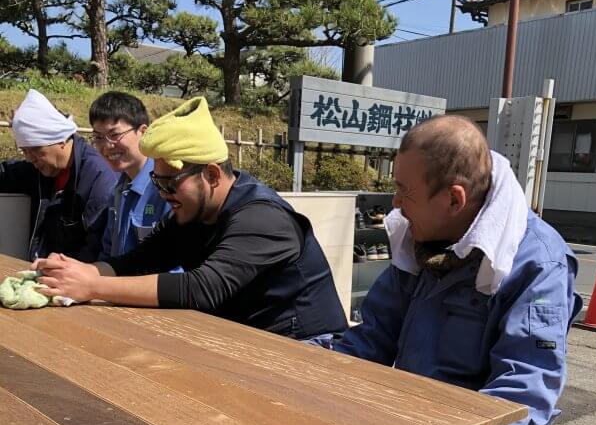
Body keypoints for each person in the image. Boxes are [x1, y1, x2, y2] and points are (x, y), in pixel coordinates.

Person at [313, 115, 582, 425]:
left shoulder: (536, 261)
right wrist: (303, 366)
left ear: (455, 198)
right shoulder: (418, 233)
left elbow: (525, 391)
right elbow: (374, 338)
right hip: (415, 413)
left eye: (404, 191)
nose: (393, 203)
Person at [33, 96, 348, 340]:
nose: (163, 193)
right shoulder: (193, 215)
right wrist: (77, 271)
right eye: (156, 182)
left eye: (170, 183)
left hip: (306, 345)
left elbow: (201, 288)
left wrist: (92, 287)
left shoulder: (261, 218)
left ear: (211, 174)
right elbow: (140, 260)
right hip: (247, 339)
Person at [0, 89, 116, 262]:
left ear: (61, 140)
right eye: (24, 151)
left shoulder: (97, 178)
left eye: (36, 150)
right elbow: (5, 173)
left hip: (74, 278)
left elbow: (96, 246)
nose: (30, 158)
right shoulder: (39, 169)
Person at [88, 91, 171, 262]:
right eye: (98, 137)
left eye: (115, 135)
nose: (107, 146)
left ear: (143, 132)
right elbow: (109, 252)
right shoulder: (117, 192)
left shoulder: (168, 190)